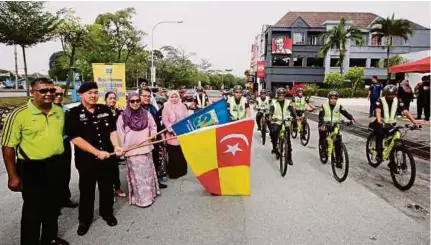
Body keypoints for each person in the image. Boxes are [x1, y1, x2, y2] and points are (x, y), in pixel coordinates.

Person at [1, 78, 69, 245]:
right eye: (43, 91)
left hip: (56, 164)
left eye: (52, 91)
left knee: (53, 205)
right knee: (33, 209)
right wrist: (12, 176)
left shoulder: (58, 111)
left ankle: (50, 238)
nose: (49, 94)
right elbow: (8, 146)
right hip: (32, 167)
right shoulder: (19, 114)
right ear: (32, 93)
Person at [68, 82, 123, 236]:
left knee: (106, 188)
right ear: (80, 94)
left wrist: (116, 145)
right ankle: (84, 220)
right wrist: (96, 152)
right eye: (89, 93)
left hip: (107, 158)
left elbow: (112, 130)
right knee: (87, 191)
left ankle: (107, 213)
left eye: (95, 92)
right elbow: (76, 138)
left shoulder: (104, 109)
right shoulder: (73, 113)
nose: (93, 95)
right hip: (87, 160)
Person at [117, 93, 159, 207]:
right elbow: (120, 134)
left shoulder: (146, 114)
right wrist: (122, 150)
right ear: (128, 102)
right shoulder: (123, 116)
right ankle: (140, 199)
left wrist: (153, 135)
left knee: (147, 175)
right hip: (131, 151)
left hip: (145, 148)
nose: (135, 103)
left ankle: (150, 196)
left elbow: (153, 126)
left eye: (137, 101)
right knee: (137, 177)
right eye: (132, 101)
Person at [369, 85, 419, 169]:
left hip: (391, 124)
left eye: (393, 94)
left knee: (395, 140)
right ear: (385, 94)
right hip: (380, 123)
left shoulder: (398, 100)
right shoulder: (380, 100)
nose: (391, 96)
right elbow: (378, 110)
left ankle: (392, 162)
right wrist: (379, 120)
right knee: (380, 133)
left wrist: (415, 122)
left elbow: (405, 111)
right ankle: (379, 153)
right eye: (389, 94)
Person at [53, 86, 79, 209]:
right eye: (56, 93)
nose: (58, 96)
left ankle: (64, 198)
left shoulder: (66, 110)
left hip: (64, 144)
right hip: (49, 147)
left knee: (65, 172)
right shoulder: (45, 110)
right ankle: (53, 201)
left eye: (61, 94)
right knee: (52, 174)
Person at [319, 91, 355, 168]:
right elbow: (320, 117)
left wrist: (351, 118)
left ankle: (339, 160)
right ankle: (323, 150)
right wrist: (322, 123)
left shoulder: (339, 106)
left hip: (335, 125)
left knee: (338, 142)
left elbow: (345, 113)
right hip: (325, 125)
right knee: (323, 137)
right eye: (331, 98)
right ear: (329, 98)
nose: (333, 100)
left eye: (335, 98)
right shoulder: (324, 106)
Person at [141, 88, 168, 187]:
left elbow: (157, 124)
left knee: (155, 159)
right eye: (144, 96)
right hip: (142, 140)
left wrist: (161, 135)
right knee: (144, 162)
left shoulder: (152, 108)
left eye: (149, 96)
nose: (147, 98)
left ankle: (156, 182)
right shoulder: (135, 107)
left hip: (154, 138)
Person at [162, 90, 189, 179]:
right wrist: (171, 129)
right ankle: (173, 172)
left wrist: (182, 129)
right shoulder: (166, 107)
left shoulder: (183, 106)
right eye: (172, 97)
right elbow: (165, 120)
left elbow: (186, 118)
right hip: (171, 135)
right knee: (173, 154)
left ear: (179, 97)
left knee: (181, 153)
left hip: (181, 133)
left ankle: (182, 170)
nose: (174, 99)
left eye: (176, 96)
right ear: (169, 97)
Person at [104, 91, 127, 198]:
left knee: (115, 167)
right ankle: (108, 192)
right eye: (110, 98)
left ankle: (117, 188)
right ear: (105, 100)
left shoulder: (119, 111)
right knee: (106, 169)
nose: (112, 100)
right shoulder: (101, 111)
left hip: (117, 143)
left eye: (114, 98)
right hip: (105, 144)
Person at [269, 88, 298, 160]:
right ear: (277, 95)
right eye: (279, 95)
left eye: (283, 95)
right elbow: (271, 110)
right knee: (274, 134)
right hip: (276, 121)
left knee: (288, 140)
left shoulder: (288, 102)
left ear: (285, 96)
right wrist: (270, 116)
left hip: (286, 122)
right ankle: (275, 148)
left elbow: (292, 110)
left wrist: (296, 116)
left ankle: (289, 158)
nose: (281, 97)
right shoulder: (274, 102)